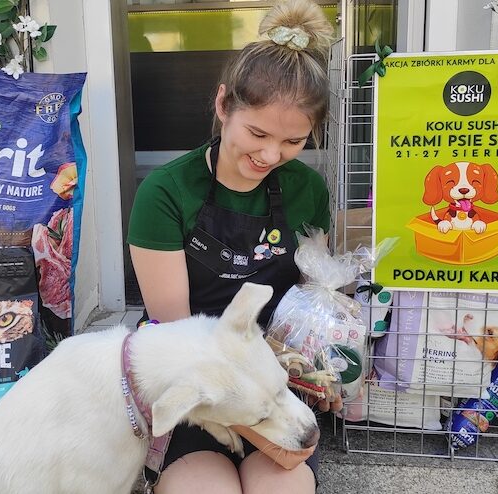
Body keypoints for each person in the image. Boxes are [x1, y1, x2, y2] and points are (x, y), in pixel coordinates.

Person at [127, 0, 341, 492]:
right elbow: (175, 332)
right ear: (224, 105)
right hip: (194, 388)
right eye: (257, 132)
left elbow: (307, 305)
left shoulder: (307, 190)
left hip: (276, 381)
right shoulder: (165, 192)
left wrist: (326, 361)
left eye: (293, 141)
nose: (271, 155)